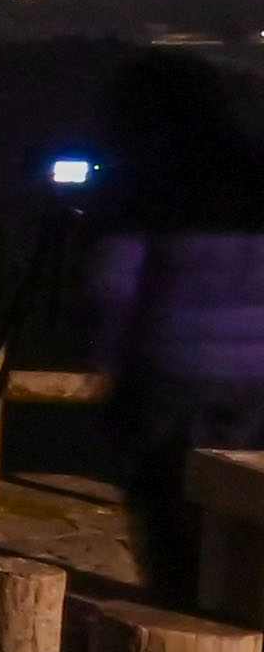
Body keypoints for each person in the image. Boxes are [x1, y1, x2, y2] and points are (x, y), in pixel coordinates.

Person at [86, 50, 264, 614]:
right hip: (257, 377)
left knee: (167, 507)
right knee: (246, 509)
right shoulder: (253, 171)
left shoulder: (144, 185)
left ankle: (177, 621)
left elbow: (115, 285)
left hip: (167, 372)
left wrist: (108, 361)